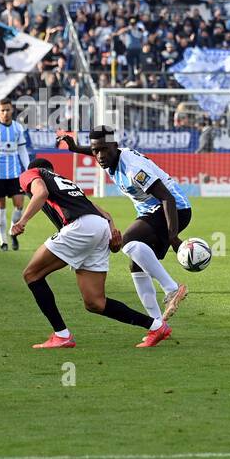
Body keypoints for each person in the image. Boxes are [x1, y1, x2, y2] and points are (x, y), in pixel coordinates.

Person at [10, 159, 169, 349]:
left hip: (80, 227)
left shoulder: (32, 174)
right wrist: (112, 235)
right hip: (100, 226)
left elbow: (41, 192)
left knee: (31, 274)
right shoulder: (67, 184)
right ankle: (157, 326)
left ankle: (61, 335)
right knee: (95, 302)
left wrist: (22, 221)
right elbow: (105, 213)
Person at [58, 126, 190, 328]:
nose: (99, 156)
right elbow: (99, 149)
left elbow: (167, 197)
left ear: (115, 146)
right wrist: (77, 148)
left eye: (104, 150)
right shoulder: (111, 156)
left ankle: (172, 288)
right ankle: (158, 325)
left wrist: (173, 237)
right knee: (136, 264)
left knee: (129, 241)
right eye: (95, 151)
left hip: (174, 209)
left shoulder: (133, 169)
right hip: (152, 211)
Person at [0, 98, 30, 251]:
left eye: (7, 110)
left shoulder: (17, 128)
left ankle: (12, 232)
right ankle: (3, 241)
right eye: (2, 110)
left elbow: (22, 150)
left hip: (15, 173)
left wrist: (28, 169)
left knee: (19, 205)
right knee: (0, 206)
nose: (5, 113)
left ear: (12, 110)